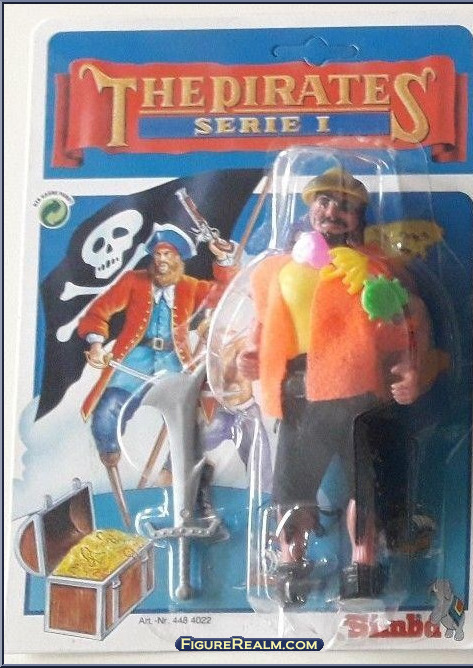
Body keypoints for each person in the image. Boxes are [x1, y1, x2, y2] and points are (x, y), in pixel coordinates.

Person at [237, 167, 443, 605]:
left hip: (360, 400)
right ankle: (291, 563)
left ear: (360, 217)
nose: (332, 212)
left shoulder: (374, 271)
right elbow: (266, 321)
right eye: (325, 202)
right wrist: (252, 356)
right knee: (291, 490)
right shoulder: (281, 270)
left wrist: (413, 368)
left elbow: (412, 319)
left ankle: (363, 566)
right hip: (299, 398)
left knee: (363, 490)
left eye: (345, 206)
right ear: (310, 210)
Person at [78, 228, 236, 526]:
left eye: (168, 254)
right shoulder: (133, 281)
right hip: (134, 360)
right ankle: (114, 481)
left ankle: (170, 475)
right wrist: (97, 343)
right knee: (106, 414)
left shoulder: (191, 286)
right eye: (158, 254)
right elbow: (100, 310)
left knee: (189, 423)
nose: (161, 260)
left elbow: (226, 293)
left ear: (178, 260)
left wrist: (224, 260)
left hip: (173, 362)